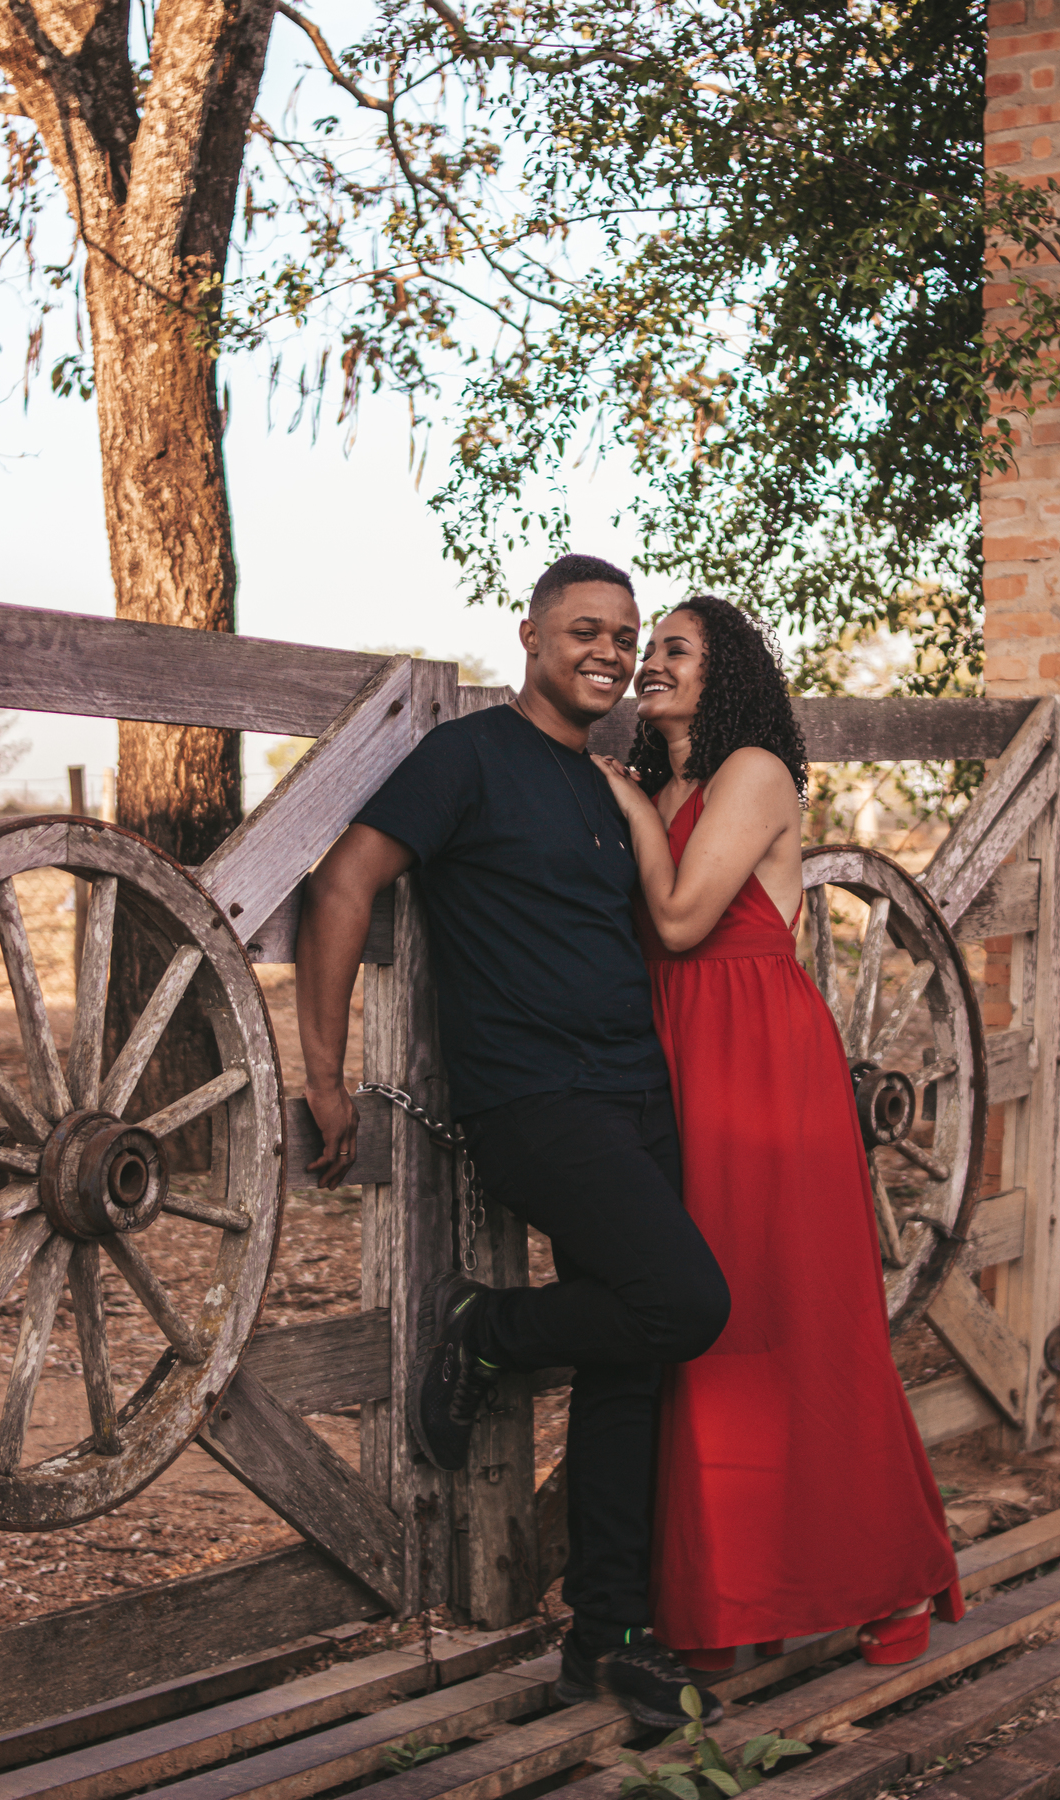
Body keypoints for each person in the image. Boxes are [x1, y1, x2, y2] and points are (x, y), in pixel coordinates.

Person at [295, 553, 731, 1728]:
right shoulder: (467, 759)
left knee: (635, 1358)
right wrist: (324, 1075)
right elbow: (342, 886)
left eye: (625, 637)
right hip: (534, 1101)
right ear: (531, 636)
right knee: (686, 1302)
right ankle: (485, 1329)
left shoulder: (605, 787)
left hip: (636, 1093)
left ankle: (608, 1639)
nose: (610, 653)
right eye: (586, 630)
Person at [592, 595, 964, 1671]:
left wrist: (627, 810)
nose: (650, 662)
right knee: (699, 1326)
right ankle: (724, 1600)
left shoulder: (752, 771)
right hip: (672, 1051)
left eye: (675, 649)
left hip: (758, 1056)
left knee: (790, 1314)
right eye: (650, 649)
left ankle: (884, 1576)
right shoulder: (661, 786)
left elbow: (679, 920)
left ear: (726, 674)